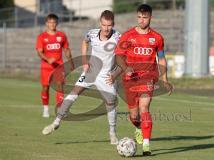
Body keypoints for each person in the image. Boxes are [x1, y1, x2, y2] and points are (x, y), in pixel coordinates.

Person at [42, 10, 122, 145]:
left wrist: (115, 75)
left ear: (113, 24)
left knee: (111, 103)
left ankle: (112, 134)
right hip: (91, 72)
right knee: (73, 93)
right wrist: (85, 61)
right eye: (104, 25)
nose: (106, 28)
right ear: (100, 23)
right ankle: (55, 123)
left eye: (109, 25)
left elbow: (124, 58)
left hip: (106, 75)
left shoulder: (119, 38)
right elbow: (85, 42)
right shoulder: (91, 34)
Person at [114, 4, 172, 156]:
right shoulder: (127, 36)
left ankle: (146, 145)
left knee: (144, 108)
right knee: (134, 115)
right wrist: (126, 68)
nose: (141, 20)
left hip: (148, 77)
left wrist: (164, 79)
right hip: (130, 78)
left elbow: (162, 58)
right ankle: (138, 128)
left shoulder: (157, 38)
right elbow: (118, 56)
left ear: (150, 17)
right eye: (139, 17)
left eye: (144, 17)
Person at [36, 13, 74, 118]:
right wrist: (48, 59)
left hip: (59, 66)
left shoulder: (61, 36)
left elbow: (66, 50)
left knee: (59, 87)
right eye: (50, 22)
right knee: (45, 88)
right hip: (46, 67)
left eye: (54, 22)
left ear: (57, 23)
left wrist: (71, 62)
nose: (52, 24)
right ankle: (45, 109)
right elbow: (39, 52)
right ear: (46, 23)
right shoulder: (42, 37)